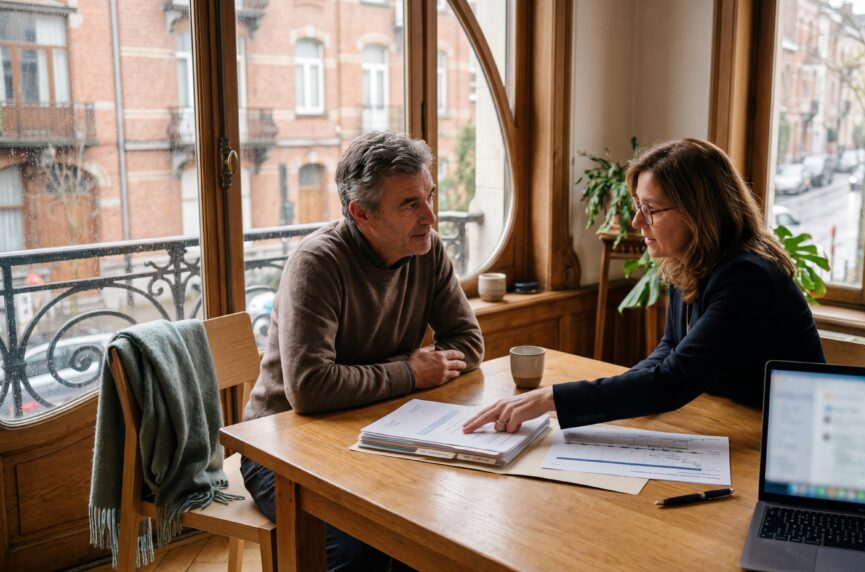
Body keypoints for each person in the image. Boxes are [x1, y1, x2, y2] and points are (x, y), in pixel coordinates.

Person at [241, 131, 485, 571]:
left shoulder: (426, 250)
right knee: (360, 554)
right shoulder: (318, 263)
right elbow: (311, 388)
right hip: (282, 446)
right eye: (410, 204)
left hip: (377, 429)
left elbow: (468, 342)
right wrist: (409, 373)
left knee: (438, 533)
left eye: (430, 195)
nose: (430, 215)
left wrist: (405, 375)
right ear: (361, 213)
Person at [464, 137, 823, 435]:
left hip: (787, 438)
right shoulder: (687, 260)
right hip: (737, 421)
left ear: (698, 213)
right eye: (638, 205)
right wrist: (618, 397)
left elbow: (673, 380)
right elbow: (670, 348)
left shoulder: (747, 278)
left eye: (650, 209)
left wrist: (551, 399)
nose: (636, 221)